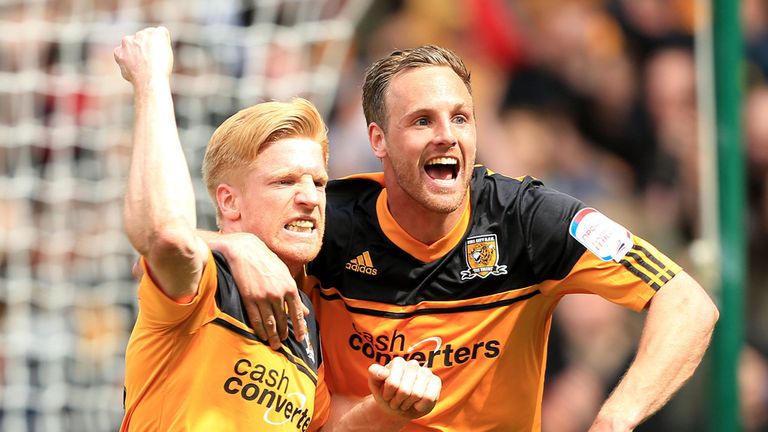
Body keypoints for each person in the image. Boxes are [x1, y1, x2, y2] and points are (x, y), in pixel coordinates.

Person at [206, 45, 719, 431]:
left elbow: (688, 302)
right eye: (422, 120)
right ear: (377, 141)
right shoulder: (328, 218)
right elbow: (175, 259)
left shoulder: (527, 220)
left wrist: (615, 419)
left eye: (460, 117)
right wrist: (239, 246)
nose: (447, 135)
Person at [115, 27, 441, 431]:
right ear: (229, 202)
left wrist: (391, 406)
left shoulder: (305, 322)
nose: (310, 197)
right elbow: (165, 234)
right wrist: (151, 80)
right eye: (285, 181)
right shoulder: (206, 282)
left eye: (318, 182)